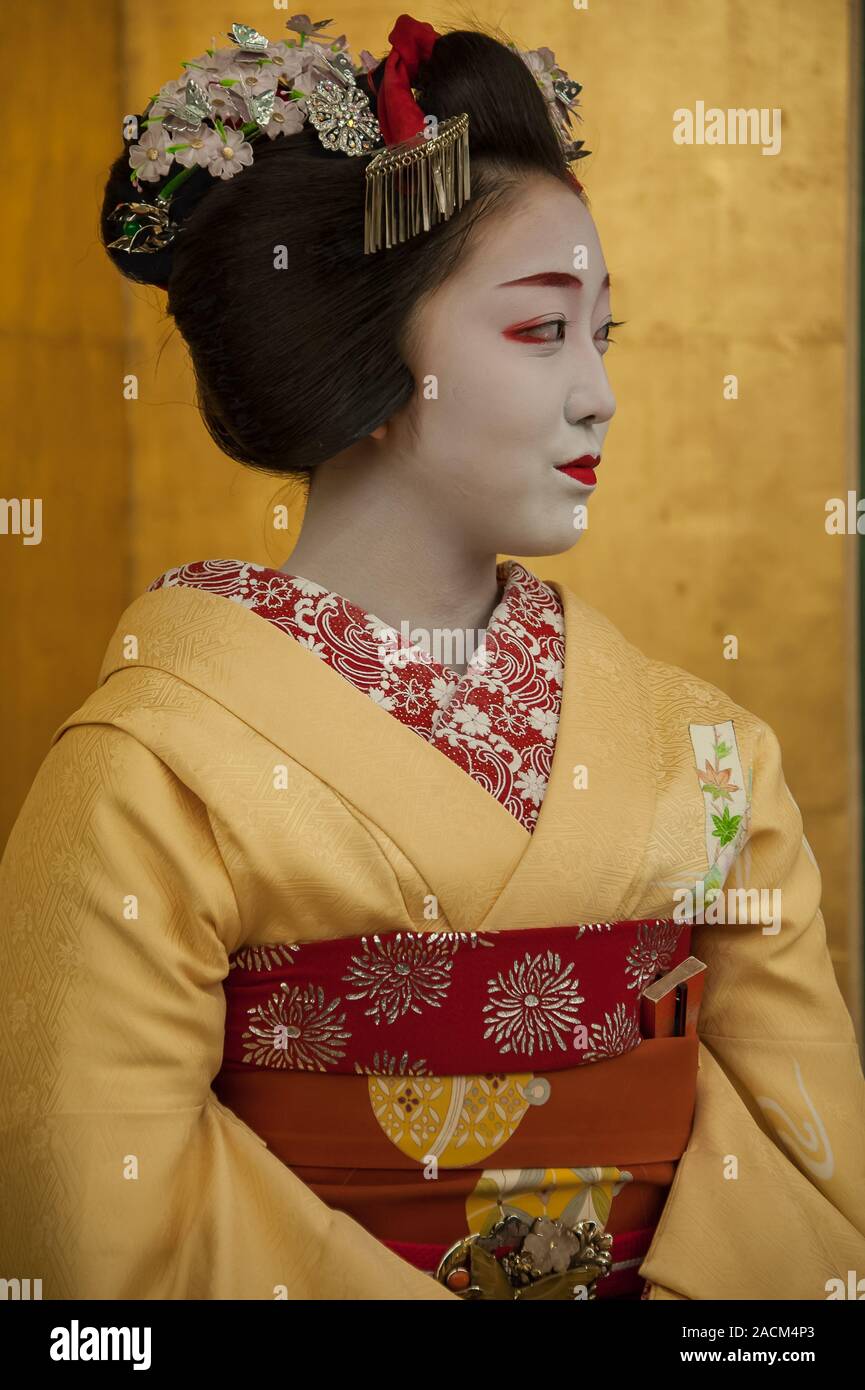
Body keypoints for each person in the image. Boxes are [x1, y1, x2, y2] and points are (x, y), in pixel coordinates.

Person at [1, 12, 864, 1302]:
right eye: (538, 331)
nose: (599, 393)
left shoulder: (714, 756)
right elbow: (103, 1240)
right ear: (367, 357)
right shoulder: (152, 768)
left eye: (605, 334)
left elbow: (815, 1166)